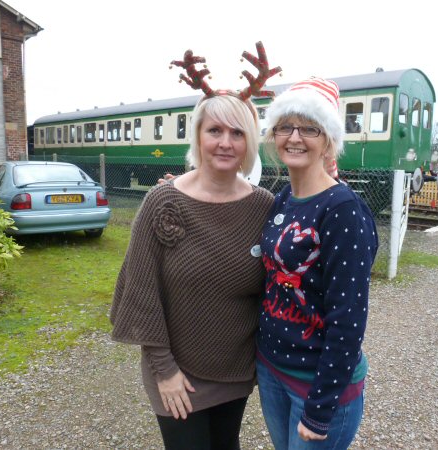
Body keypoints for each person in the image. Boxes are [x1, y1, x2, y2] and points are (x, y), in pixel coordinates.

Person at [109, 90, 274, 450]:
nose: (225, 143)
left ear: (249, 141)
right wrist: (165, 370)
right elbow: (141, 293)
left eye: (237, 133)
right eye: (215, 130)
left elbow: (277, 287)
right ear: (198, 136)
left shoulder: (263, 207)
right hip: (176, 371)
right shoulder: (162, 202)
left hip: (234, 367)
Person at [256, 77, 378, 449]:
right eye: (285, 127)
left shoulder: (342, 209)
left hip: (316, 386)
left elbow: (348, 318)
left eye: (309, 128)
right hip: (272, 370)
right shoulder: (283, 198)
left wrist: (320, 407)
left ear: (328, 140)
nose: (295, 137)